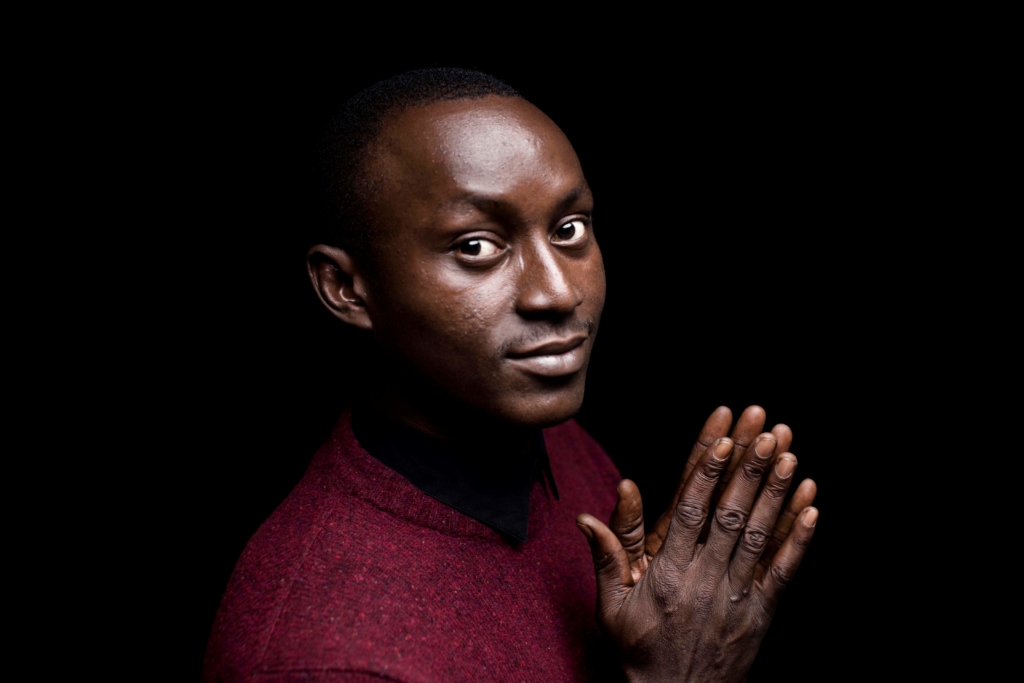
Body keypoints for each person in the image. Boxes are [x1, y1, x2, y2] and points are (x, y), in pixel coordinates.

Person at [203, 68, 818, 682]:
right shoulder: (327, 662)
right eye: (476, 246)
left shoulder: (544, 442)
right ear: (345, 287)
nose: (557, 292)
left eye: (569, 230)